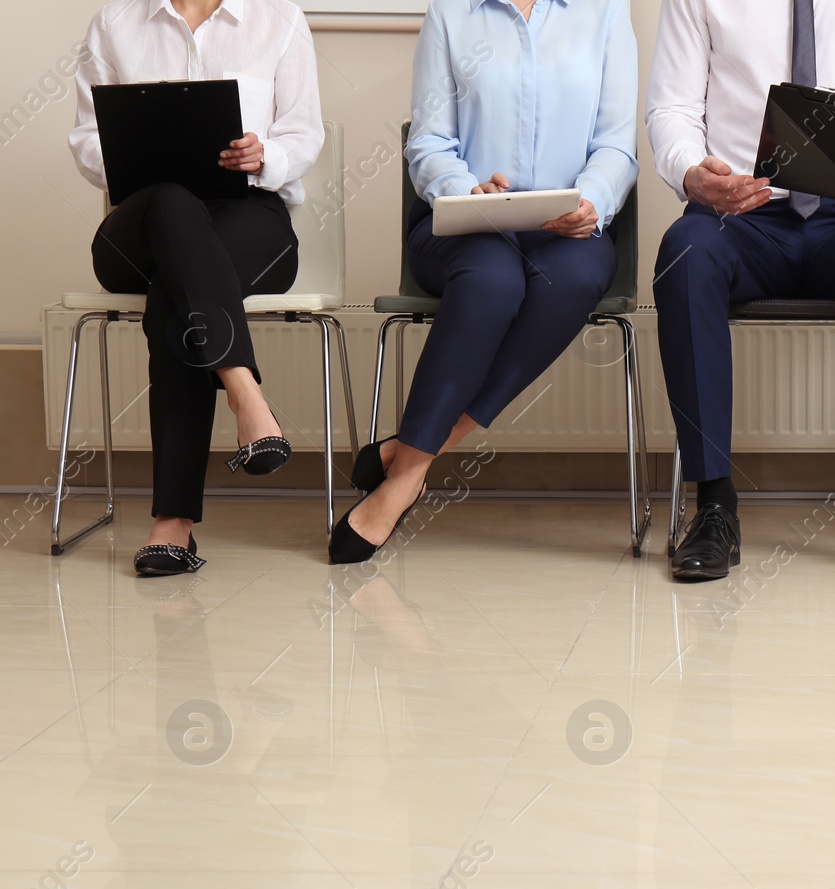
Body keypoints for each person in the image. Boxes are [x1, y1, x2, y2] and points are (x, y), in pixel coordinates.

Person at [646, 0, 835, 584]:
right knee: (685, 250)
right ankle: (713, 505)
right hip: (743, 214)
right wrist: (692, 171)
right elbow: (673, 107)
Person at [329, 0, 638, 565]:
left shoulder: (605, 13)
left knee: (573, 281)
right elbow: (428, 141)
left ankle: (409, 462)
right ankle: (407, 471)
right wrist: (466, 189)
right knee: (493, 281)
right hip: (462, 225)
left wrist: (590, 202)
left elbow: (616, 143)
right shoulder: (451, 13)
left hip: (565, 228)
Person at [69, 0, 324, 576]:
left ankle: (173, 526)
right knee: (171, 205)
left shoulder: (279, 17)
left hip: (250, 216)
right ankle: (243, 390)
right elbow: (86, 139)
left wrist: (266, 155)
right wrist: (134, 150)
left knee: (178, 287)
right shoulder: (114, 22)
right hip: (141, 223)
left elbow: (305, 133)